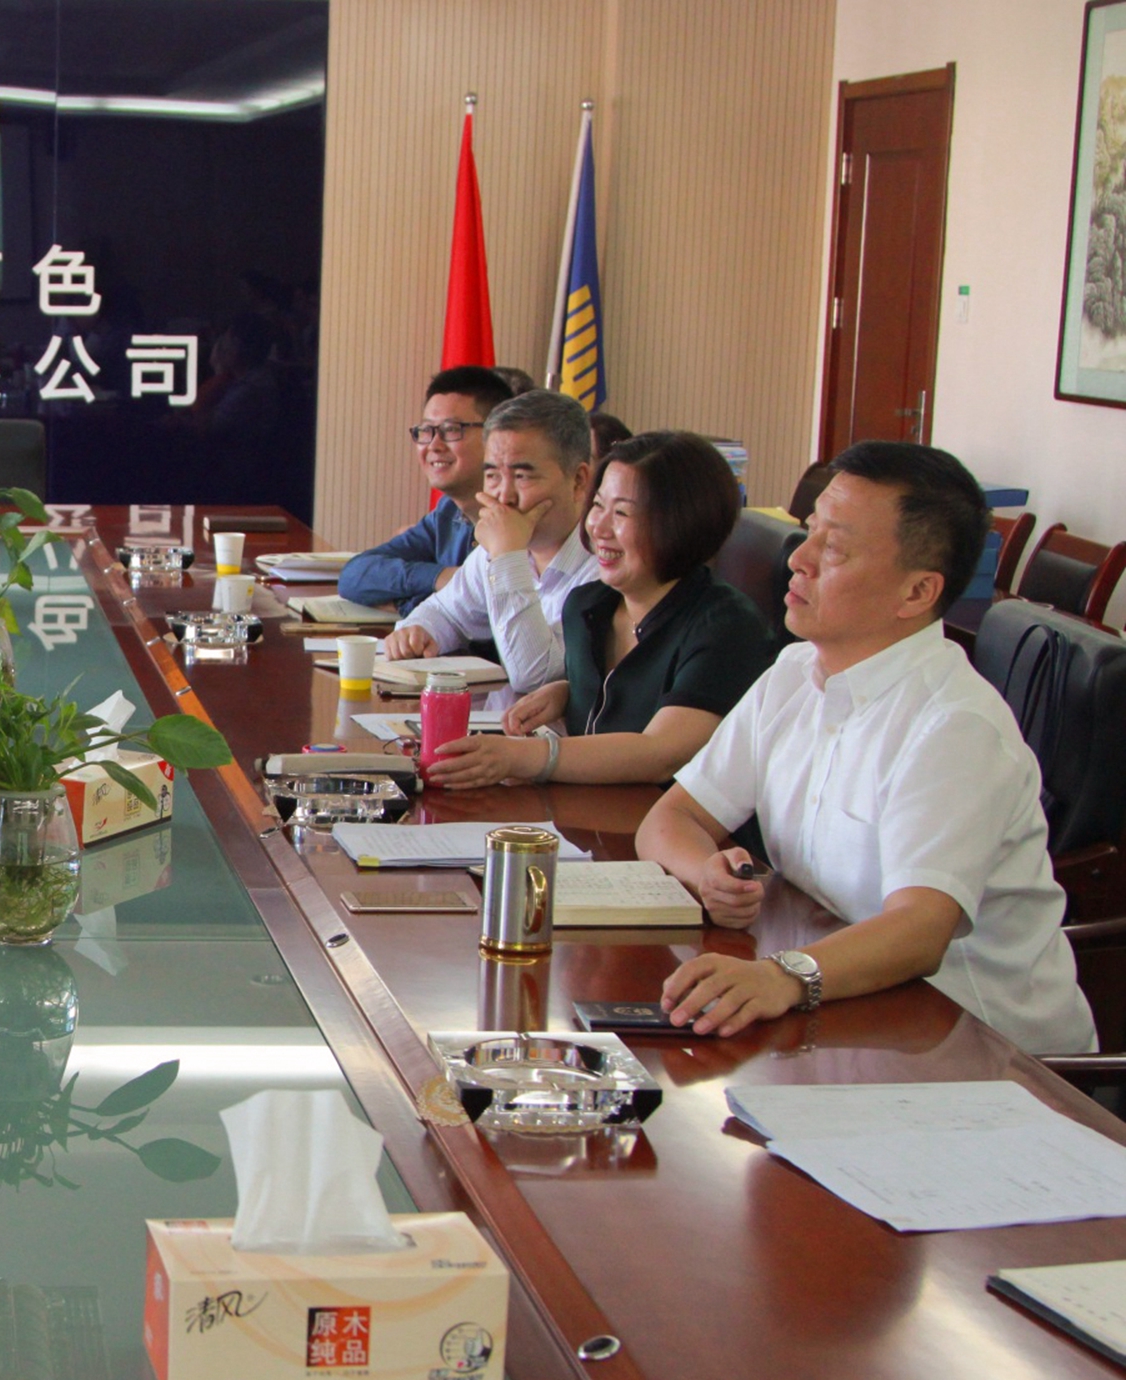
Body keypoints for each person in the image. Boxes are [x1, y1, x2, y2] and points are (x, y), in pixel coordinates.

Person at [634, 441, 1094, 1052]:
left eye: (835, 549)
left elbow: (918, 932)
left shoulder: (954, 727)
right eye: (809, 531)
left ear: (917, 592)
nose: (798, 559)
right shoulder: (794, 673)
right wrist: (707, 874)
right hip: (847, 1011)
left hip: (984, 1052)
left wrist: (782, 977)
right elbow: (671, 819)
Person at [425, 432, 782, 789]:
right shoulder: (589, 605)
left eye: (622, 512)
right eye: (597, 505)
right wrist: (570, 692)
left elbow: (661, 753)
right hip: (585, 812)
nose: (598, 526)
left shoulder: (727, 626)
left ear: (683, 522)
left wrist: (522, 756)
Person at [382, 389, 600, 691]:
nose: (504, 497)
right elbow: (446, 612)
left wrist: (508, 556)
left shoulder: (603, 564)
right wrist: (418, 631)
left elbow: (534, 677)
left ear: (578, 481)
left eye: (522, 476)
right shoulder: (498, 549)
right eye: (493, 475)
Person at [338, 366, 515, 614]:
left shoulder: (516, 519)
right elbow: (355, 575)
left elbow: (484, 617)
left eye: (451, 429)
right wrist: (441, 577)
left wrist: (407, 603)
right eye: (426, 431)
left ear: (497, 436)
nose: (433, 445)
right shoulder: (448, 513)